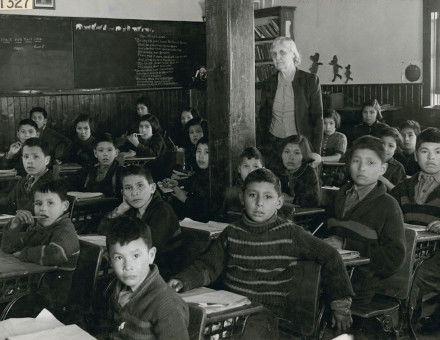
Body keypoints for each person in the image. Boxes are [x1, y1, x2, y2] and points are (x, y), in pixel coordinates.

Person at [168, 168, 354, 339]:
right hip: (231, 310)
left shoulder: (290, 233)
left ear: (279, 202)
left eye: (267, 197)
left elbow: (331, 256)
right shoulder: (231, 232)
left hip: (266, 316)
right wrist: (183, 280)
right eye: (252, 195)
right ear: (242, 198)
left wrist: (340, 305)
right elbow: (207, 265)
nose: (259, 203)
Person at [325, 135, 405, 306]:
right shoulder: (339, 197)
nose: (361, 168)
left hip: (361, 283)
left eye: (370, 163)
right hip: (331, 275)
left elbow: (394, 258)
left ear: (382, 169)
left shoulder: (388, 206)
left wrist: (347, 245)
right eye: (356, 161)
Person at [104, 216, 189, 340]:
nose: (128, 266)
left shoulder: (166, 304)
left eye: (136, 255)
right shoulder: (116, 289)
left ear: (151, 255)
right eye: (119, 257)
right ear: (110, 260)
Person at [390, 127, 440, 331]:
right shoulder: (404, 187)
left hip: (435, 255)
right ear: (416, 154)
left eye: (438, 151)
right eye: (424, 151)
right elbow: (387, 213)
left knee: (416, 275)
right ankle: (389, 320)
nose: (431, 158)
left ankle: (408, 323)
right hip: (406, 249)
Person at [1, 180, 79, 308]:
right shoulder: (38, 227)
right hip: (31, 287)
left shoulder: (66, 230)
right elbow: (7, 248)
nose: (43, 208)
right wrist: (15, 225)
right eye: (38, 203)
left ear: (64, 206)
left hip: (52, 297)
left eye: (50, 203)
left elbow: (56, 254)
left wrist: (24, 254)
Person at [105, 165, 183, 279]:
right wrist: (118, 211)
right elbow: (103, 231)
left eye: (140, 186)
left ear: (152, 188)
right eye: (128, 188)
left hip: (163, 272)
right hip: (138, 267)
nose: (134, 193)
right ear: (123, 193)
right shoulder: (130, 209)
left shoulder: (163, 211)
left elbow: (148, 246)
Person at [257, 36, 323, 158]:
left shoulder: (310, 81)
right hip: (273, 145)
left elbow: (318, 119)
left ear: (293, 55)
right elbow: (263, 118)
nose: (277, 57)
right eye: (274, 54)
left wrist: (316, 153)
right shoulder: (268, 83)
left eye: (282, 52)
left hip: (300, 145)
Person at [168, 137, 218, 222]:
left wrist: (184, 198)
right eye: (198, 151)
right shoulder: (202, 171)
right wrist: (177, 182)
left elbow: (204, 211)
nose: (201, 156)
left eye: (207, 152)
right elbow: (192, 181)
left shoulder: (215, 177)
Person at [0, 138, 54, 214]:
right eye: (26, 156)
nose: (29, 161)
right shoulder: (23, 181)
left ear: (47, 160)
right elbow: (7, 202)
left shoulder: (52, 184)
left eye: (35, 157)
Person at [274, 135, 321, 207]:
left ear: (304, 156)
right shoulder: (278, 170)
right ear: (281, 154)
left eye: (297, 153)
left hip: (304, 216)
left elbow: (312, 201)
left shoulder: (309, 172)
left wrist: (290, 199)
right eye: (287, 152)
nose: (291, 157)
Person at [74, 133, 121, 197]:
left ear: (116, 153)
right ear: (95, 153)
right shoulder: (88, 170)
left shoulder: (121, 172)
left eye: (109, 150)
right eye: (101, 150)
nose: (105, 154)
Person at [222, 146, 264, 218]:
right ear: (239, 169)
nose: (251, 171)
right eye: (246, 166)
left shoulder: (268, 192)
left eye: (255, 166)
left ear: (263, 169)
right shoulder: (230, 194)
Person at [376, 126, 406, 191]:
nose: (385, 149)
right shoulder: (370, 161)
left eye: (391, 146)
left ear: (396, 149)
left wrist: (384, 181)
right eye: (382, 143)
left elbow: (400, 194)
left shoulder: (398, 168)